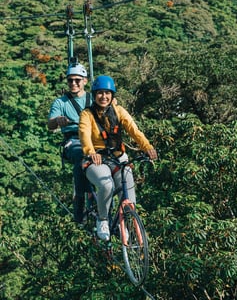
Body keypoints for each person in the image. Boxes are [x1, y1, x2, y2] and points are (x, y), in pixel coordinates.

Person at [79, 75, 158, 241]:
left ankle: (126, 222)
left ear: (112, 95)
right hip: (96, 159)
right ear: (94, 95)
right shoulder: (87, 114)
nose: (104, 97)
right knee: (106, 185)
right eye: (100, 93)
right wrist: (90, 151)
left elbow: (134, 130)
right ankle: (103, 220)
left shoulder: (119, 111)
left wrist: (147, 147)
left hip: (117, 157)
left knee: (128, 190)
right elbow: (84, 134)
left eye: (107, 93)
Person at [48, 62, 93, 224]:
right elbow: (50, 124)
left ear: (84, 81)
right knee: (82, 154)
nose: (73, 83)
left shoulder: (93, 98)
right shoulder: (61, 103)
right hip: (73, 140)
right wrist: (58, 121)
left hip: (94, 138)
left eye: (77, 80)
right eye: (70, 81)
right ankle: (80, 201)